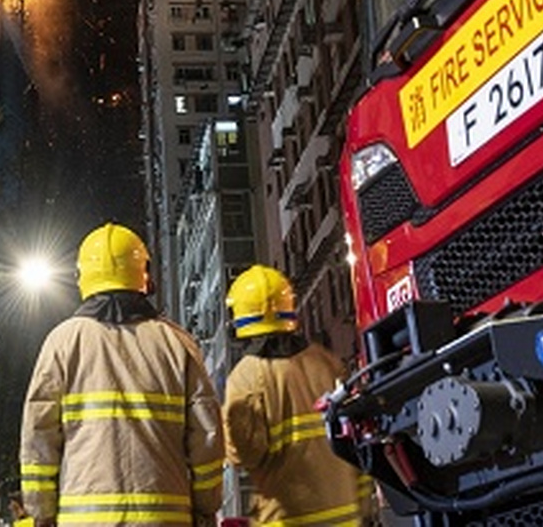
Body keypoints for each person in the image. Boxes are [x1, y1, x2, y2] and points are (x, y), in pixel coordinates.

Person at [20, 222, 224, 527]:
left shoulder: (62, 342)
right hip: (166, 519)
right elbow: (208, 434)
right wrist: (206, 506)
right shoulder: (177, 343)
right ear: (143, 274)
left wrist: (42, 511)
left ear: (82, 277)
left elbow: (38, 435)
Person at [221, 265, 376, 526]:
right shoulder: (327, 362)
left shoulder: (246, 378)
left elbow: (243, 455)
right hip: (348, 517)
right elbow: (356, 438)